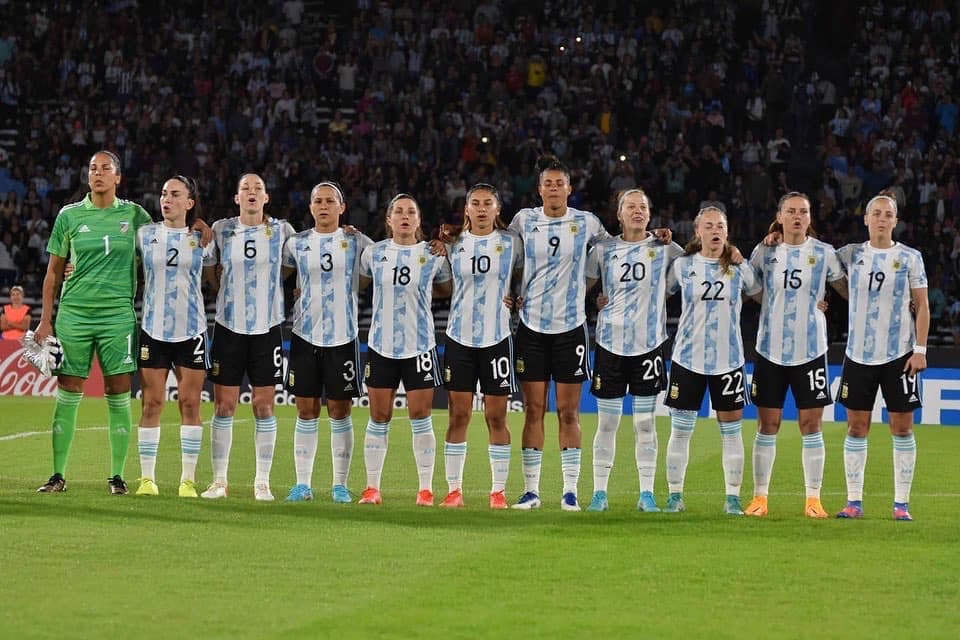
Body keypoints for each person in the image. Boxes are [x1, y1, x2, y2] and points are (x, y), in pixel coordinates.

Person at [34, 150, 153, 495]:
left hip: (117, 316)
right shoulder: (69, 216)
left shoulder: (135, 215)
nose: (98, 173)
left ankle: (117, 476)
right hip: (74, 315)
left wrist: (198, 225)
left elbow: (163, 246)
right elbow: (52, 273)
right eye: (92, 169)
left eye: (105, 168)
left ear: (118, 177)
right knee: (68, 389)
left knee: (118, 390)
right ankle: (58, 475)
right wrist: (45, 321)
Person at [508, 156, 610, 511]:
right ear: (539, 190)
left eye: (559, 183)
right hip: (531, 327)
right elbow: (504, 253)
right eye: (547, 184)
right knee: (533, 410)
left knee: (569, 412)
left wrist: (600, 291)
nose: (553, 188)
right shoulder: (524, 220)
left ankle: (570, 491)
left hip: (570, 328)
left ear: (569, 188)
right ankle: (531, 491)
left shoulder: (587, 222)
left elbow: (617, 250)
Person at [744, 192, 848, 518]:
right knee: (768, 424)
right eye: (790, 211)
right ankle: (759, 498)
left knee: (811, 424)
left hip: (811, 349)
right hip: (770, 349)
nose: (797, 216)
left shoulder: (824, 253)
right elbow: (747, 288)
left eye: (803, 211)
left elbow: (848, 290)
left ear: (810, 217)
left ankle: (813, 500)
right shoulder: (765, 251)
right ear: (780, 216)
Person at [583, 189, 682, 512]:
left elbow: (701, 260)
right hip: (610, 344)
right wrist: (596, 301)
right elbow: (583, 286)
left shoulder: (666, 248)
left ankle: (647, 494)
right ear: (619, 214)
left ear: (649, 215)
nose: (637, 211)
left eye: (643, 207)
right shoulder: (602, 249)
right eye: (631, 207)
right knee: (606, 424)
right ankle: (599, 494)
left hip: (649, 346)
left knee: (645, 423)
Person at [835, 192, 928, 521]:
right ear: (866, 219)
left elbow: (922, 305)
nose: (882, 219)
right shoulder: (850, 254)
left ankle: (901, 504)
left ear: (895, 221)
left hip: (899, 355)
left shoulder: (910, 257)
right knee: (856, 427)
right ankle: (853, 502)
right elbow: (817, 267)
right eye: (876, 213)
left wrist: (920, 349)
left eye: (888, 214)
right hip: (858, 354)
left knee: (902, 428)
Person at [202, 173, 295, 501]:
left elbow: (291, 265)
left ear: (266, 198)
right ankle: (219, 481)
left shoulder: (283, 231)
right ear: (236, 198)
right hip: (228, 327)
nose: (252, 192)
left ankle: (262, 482)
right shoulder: (221, 229)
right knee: (224, 405)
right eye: (245, 188)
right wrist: (221, 287)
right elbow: (209, 268)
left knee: (263, 406)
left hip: (267, 328)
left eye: (258, 188)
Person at [663, 202, 759, 515]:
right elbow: (660, 294)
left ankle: (732, 498)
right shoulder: (683, 265)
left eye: (720, 226)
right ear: (698, 231)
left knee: (731, 432)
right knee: (681, 431)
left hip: (728, 360)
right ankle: (675, 496)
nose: (715, 231)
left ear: (727, 232)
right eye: (709, 226)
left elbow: (762, 294)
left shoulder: (739, 267)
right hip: (687, 358)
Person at [357, 194, 452, 506]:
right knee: (379, 416)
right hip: (381, 345)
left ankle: (425, 489)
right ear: (389, 219)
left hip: (420, 344)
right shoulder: (374, 253)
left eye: (411, 211)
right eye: (398, 211)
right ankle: (372, 488)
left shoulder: (433, 254)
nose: (405, 216)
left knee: (420, 415)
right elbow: (358, 283)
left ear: (419, 219)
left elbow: (447, 288)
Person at [281, 182, 373, 503]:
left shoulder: (358, 242)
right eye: (317, 201)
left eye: (329, 201)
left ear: (341, 207)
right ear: (310, 207)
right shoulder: (296, 243)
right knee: (305, 410)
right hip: (304, 335)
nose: (323, 206)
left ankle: (339, 485)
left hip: (343, 337)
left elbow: (380, 266)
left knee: (339, 410)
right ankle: (302, 484)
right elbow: (280, 276)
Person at [439, 183, 522, 509]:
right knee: (458, 415)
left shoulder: (511, 242)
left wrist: (518, 297)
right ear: (467, 209)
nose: (482, 208)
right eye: (476, 203)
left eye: (488, 203)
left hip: (497, 338)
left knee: (496, 417)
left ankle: (498, 492)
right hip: (459, 338)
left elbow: (527, 275)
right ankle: (454, 491)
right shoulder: (452, 243)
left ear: (497, 209)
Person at [133, 176, 209, 498]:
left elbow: (221, 274)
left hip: (192, 331)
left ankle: (187, 480)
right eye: (164, 194)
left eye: (175, 194)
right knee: (151, 403)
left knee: (190, 404)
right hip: (154, 330)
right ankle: (147, 479)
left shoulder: (203, 239)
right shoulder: (144, 235)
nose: (167, 199)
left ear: (189, 203)